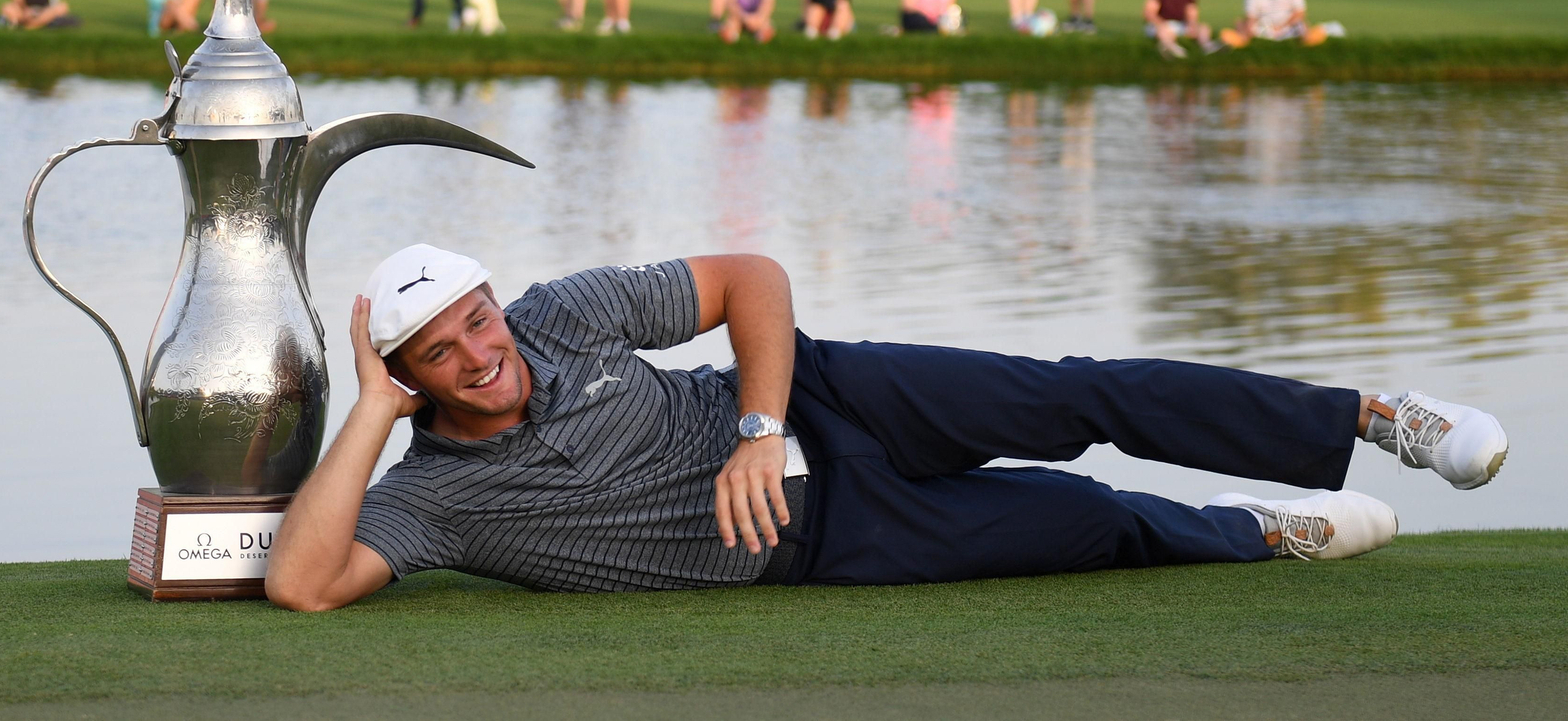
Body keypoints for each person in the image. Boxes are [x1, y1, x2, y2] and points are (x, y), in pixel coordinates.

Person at [263, 245, 1510, 610]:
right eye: (441, 353)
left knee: (1077, 397)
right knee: (1082, 519)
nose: (483, 353)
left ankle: (1374, 416)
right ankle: (1259, 528)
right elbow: (305, 582)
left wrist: (758, 421)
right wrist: (370, 411)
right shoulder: (437, 497)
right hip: (824, 538)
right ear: (409, 376)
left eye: (478, 319)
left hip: (832, 394)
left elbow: (749, 277)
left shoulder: (562, 313)